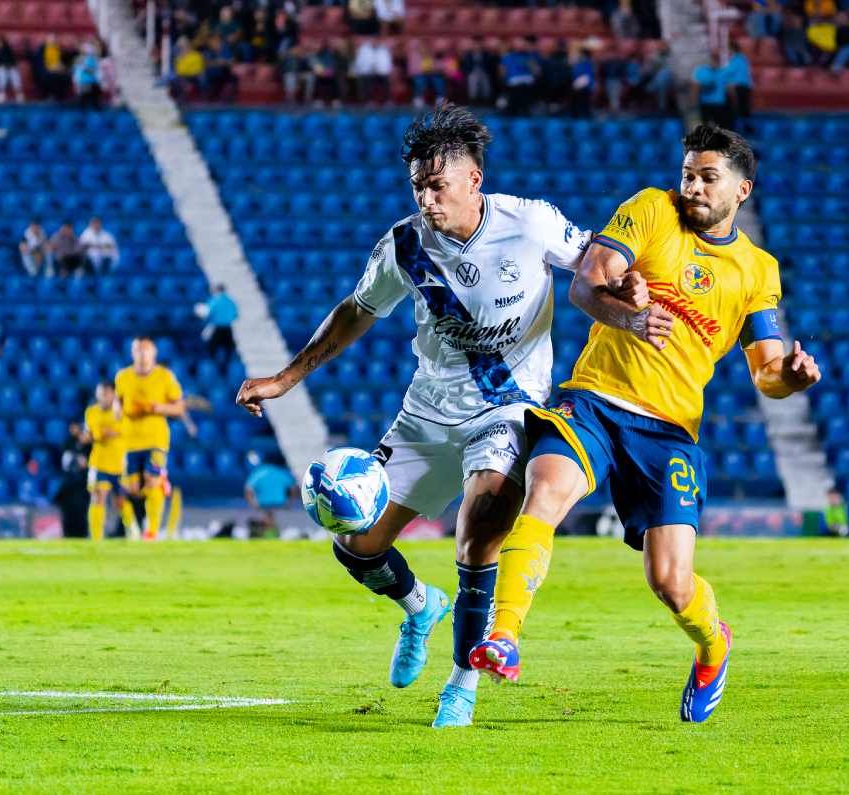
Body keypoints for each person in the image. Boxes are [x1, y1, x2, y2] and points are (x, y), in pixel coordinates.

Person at [235, 104, 592, 729]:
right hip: (426, 414)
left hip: (506, 408)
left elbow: (596, 260)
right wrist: (285, 379)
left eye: (437, 185)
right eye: (418, 187)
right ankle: (421, 606)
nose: (427, 199)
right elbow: (358, 310)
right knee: (356, 543)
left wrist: (635, 294)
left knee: (479, 532)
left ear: (474, 179)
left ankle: (461, 683)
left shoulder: (531, 224)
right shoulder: (404, 244)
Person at [466, 124, 822, 725]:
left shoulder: (757, 269)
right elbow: (586, 285)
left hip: (669, 431)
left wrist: (790, 375)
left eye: (708, 178)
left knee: (670, 582)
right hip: (595, 399)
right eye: (689, 174)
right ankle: (504, 636)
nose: (693, 187)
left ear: (742, 190)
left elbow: (766, 373)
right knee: (544, 492)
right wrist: (629, 318)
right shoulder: (653, 209)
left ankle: (713, 647)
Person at [115, 336, 185, 541]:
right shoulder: (123, 377)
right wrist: (121, 411)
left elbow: (179, 408)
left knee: (153, 481)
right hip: (129, 441)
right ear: (132, 353)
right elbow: (118, 405)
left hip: (156, 440)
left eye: (146, 350)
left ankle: (151, 532)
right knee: (130, 487)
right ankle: (132, 527)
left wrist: (155, 407)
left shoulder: (165, 376)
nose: (142, 354)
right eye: (138, 350)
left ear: (154, 352)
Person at [84, 382, 138, 541]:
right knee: (98, 496)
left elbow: (125, 431)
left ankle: (133, 529)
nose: (103, 397)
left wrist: (103, 432)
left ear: (113, 394)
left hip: (119, 464)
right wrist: (106, 432)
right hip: (99, 462)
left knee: (120, 501)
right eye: (100, 394)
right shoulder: (91, 412)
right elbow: (92, 434)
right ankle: (96, 538)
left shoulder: (122, 412)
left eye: (106, 394)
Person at [244, 451, 298, 537]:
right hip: (280, 505)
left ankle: (264, 533)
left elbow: (248, 489)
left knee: (266, 528)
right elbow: (293, 488)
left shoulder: (258, 472)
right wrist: (289, 502)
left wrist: (253, 503)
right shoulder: (281, 472)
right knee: (280, 531)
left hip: (262, 505)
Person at [197, 284, 239, 364]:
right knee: (228, 348)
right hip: (227, 328)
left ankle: (214, 363)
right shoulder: (230, 301)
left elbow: (206, 313)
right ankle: (227, 364)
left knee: (213, 347)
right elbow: (235, 315)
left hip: (217, 328)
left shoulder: (214, 301)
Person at [693, 52, 732, 130]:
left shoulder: (724, 71)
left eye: (716, 59)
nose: (714, 61)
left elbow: (729, 89)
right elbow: (695, 87)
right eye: (713, 59)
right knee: (707, 128)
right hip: (706, 104)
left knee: (720, 128)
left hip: (719, 105)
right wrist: (694, 103)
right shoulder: (701, 71)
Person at [0, 34, 25, 103]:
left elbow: (12, 60)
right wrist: (0, 66)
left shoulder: (7, 49)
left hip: (9, 67)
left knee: (14, 73)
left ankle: (19, 94)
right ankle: (1, 94)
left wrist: (9, 66)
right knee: (2, 74)